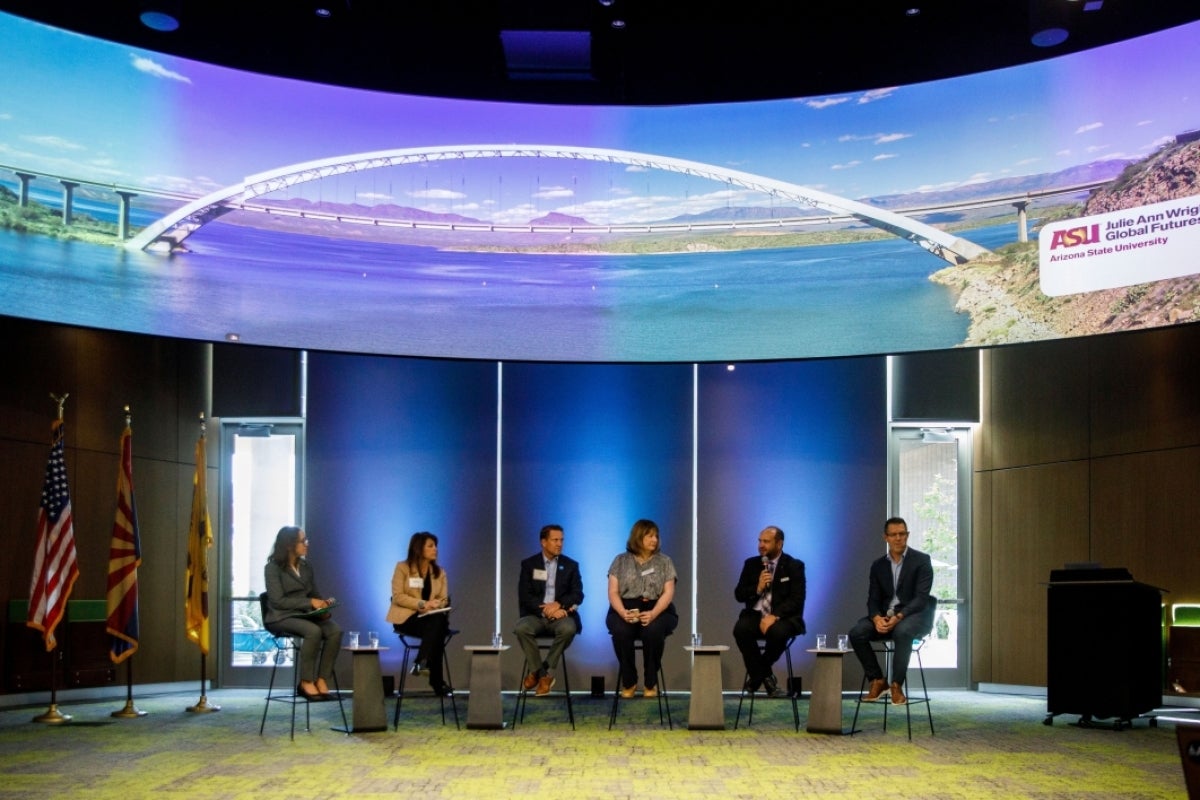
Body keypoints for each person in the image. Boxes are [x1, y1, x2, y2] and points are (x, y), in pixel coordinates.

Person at [848, 516, 935, 705]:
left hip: (913, 616)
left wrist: (899, 617)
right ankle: (878, 680)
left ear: (908, 535)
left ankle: (896, 684)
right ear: (885, 537)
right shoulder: (878, 566)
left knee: (903, 631)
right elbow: (873, 599)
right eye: (894, 535)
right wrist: (876, 618)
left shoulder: (921, 561)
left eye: (902, 534)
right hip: (886, 616)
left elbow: (921, 599)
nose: (898, 538)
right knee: (857, 633)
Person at [263, 525, 342, 701]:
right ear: (290, 545)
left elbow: (314, 594)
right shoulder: (272, 568)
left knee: (335, 630)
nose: (307, 544)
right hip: (280, 616)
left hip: (305, 614)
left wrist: (323, 606)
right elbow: (278, 601)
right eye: (302, 541)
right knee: (313, 631)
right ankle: (306, 681)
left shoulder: (306, 566)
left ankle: (322, 679)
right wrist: (309, 603)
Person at [606, 518, 679, 698]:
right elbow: (613, 592)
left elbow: (668, 593)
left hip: (658, 608)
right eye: (649, 536)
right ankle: (629, 681)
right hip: (625, 607)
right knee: (621, 632)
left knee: (652, 632)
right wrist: (622, 612)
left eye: (656, 536)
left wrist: (653, 613)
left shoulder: (665, 561)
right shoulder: (620, 561)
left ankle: (650, 682)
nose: (654, 540)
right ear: (638, 537)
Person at [732, 525, 806, 696]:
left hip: (783, 618)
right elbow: (739, 595)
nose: (761, 545)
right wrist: (757, 588)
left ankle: (757, 678)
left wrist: (775, 615)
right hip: (755, 615)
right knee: (741, 630)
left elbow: (797, 599)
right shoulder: (751, 564)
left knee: (778, 633)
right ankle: (766, 677)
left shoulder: (794, 566)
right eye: (759, 541)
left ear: (779, 544)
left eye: (766, 541)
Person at [513, 524, 584, 695]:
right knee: (521, 628)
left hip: (561, 615)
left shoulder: (571, 565)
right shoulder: (529, 565)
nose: (559, 544)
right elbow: (525, 596)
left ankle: (540, 671)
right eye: (555, 540)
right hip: (536, 615)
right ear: (543, 542)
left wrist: (559, 604)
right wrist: (546, 610)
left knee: (568, 628)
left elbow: (578, 594)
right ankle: (543, 675)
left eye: (561, 540)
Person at [386, 532, 453, 697]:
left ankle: (421, 662)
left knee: (437, 623)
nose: (435, 549)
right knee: (439, 629)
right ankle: (435, 680)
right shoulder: (402, 568)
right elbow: (398, 596)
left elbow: (444, 598)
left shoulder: (439, 572)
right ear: (418, 548)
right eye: (430, 546)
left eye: (436, 546)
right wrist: (422, 604)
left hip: (431, 617)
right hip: (408, 618)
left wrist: (437, 604)